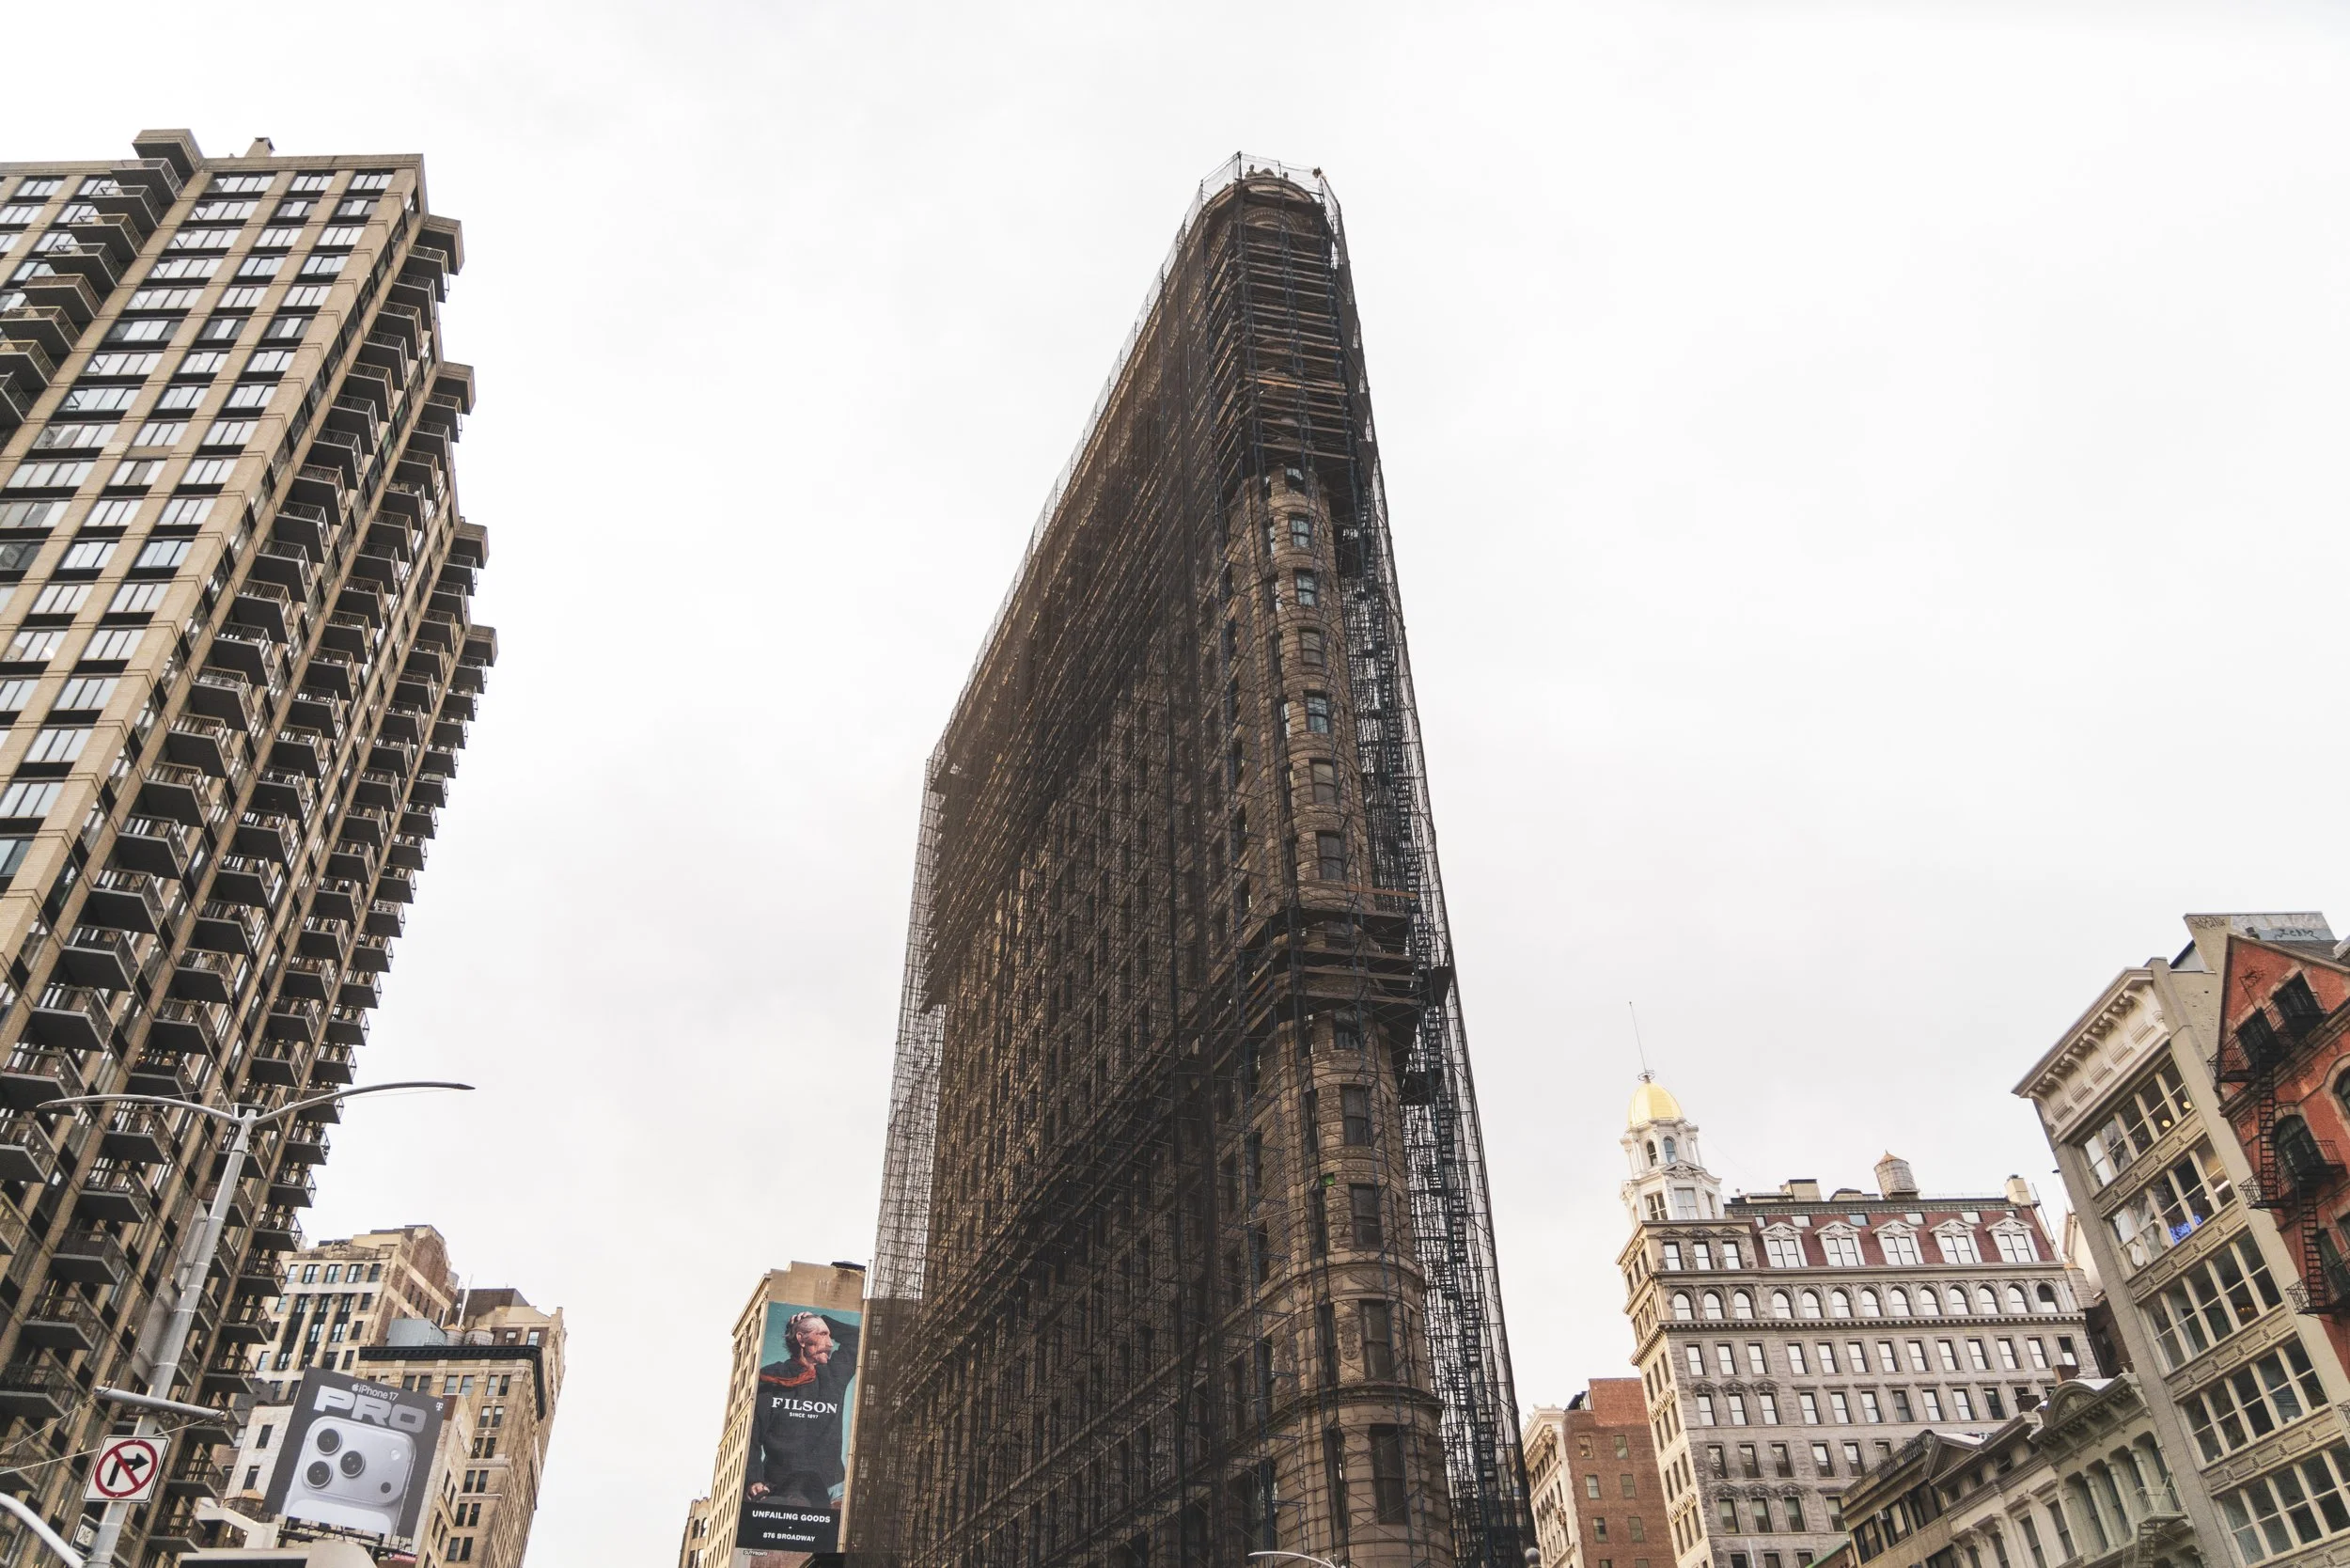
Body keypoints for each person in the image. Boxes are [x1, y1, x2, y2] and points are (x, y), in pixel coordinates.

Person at [746, 1310, 861, 1508]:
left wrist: (823, 1320)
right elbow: (752, 1436)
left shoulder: (834, 1374)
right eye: (823, 1335)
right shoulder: (771, 1377)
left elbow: (858, 1338)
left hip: (830, 1489)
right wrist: (753, 1479)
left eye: (829, 1334)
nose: (831, 1343)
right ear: (801, 1339)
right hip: (780, 1488)